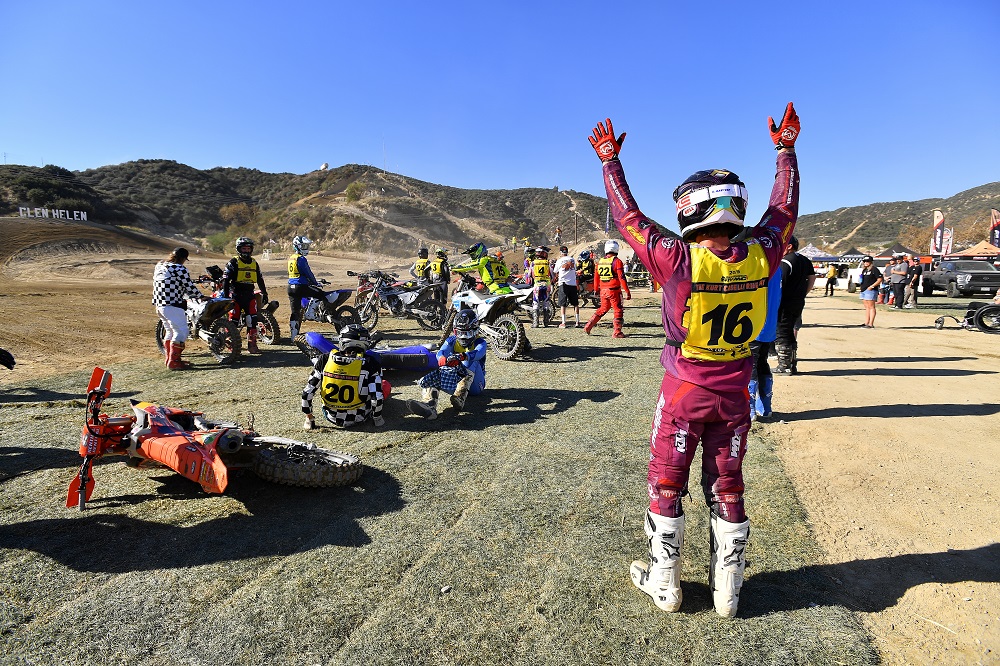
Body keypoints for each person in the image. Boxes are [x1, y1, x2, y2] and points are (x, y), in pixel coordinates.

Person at [588, 101, 800, 617]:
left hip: (685, 388)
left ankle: (666, 586)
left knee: (666, 481)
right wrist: (786, 153)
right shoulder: (764, 252)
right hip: (736, 391)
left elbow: (628, 218)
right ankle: (729, 593)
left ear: (688, 208)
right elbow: (783, 212)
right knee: (727, 484)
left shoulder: (677, 258)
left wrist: (610, 163)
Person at [406, 309, 488, 420]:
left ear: (476, 330)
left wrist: (461, 357)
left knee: (468, 361)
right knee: (436, 375)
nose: (463, 337)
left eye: (467, 333)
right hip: (457, 380)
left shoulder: (481, 342)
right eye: (460, 333)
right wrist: (442, 359)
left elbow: (478, 353)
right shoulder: (451, 340)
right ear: (455, 331)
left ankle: (460, 396)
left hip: (476, 385)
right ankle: (429, 405)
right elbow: (441, 352)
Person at [301, 324, 386, 429]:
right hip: (360, 417)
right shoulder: (370, 363)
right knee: (385, 386)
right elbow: (377, 399)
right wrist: (377, 418)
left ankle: (309, 420)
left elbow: (306, 393)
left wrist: (309, 417)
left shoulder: (325, 359)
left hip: (331, 417)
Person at [152, 247, 207, 370]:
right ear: (182, 259)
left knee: (170, 331)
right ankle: (174, 361)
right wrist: (200, 296)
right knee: (181, 332)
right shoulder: (179, 268)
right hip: (172, 304)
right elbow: (188, 285)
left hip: (160, 305)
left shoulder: (160, 266)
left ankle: (169, 359)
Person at [774, 236, 815, 375]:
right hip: (798, 301)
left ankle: (784, 365)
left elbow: (780, 284)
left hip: (785, 302)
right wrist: (803, 293)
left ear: (789, 246)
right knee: (790, 332)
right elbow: (812, 278)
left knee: (782, 332)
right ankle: (791, 363)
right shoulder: (804, 259)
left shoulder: (785, 261)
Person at [221, 237, 269, 354]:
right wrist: (227, 297)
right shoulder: (233, 263)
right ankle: (231, 344)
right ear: (239, 249)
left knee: (252, 320)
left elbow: (260, 279)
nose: (246, 251)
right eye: (244, 248)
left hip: (249, 296)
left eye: (248, 249)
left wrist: (264, 292)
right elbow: (226, 281)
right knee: (234, 321)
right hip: (236, 296)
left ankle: (252, 345)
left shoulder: (254, 263)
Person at [750, 270, 782, 420]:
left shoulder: (755, 264)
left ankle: (749, 408)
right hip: (768, 325)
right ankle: (765, 407)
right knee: (761, 362)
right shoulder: (776, 265)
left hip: (752, 325)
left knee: (750, 364)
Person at [583, 240, 631, 338]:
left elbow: (596, 278)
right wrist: (627, 291)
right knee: (618, 310)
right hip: (614, 290)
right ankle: (617, 332)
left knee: (603, 309)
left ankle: (588, 325)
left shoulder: (600, 262)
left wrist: (596, 289)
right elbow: (622, 277)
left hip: (603, 290)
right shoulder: (617, 261)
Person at [287, 235, 324, 340]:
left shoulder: (291, 258)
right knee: (319, 294)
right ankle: (310, 314)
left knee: (295, 312)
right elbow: (308, 273)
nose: (305, 248)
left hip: (290, 287)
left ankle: (293, 336)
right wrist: (315, 283)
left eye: (306, 246)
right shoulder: (301, 259)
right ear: (297, 246)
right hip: (301, 287)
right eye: (303, 246)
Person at [525, 245, 553, 328]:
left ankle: (536, 323)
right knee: (546, 303)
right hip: (547, 285)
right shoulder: (548, 263)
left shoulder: (533, 263)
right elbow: (552, 275)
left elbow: (529, 274)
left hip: (537, 285)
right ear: (543, 254)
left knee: (536, 303)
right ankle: (546, 322)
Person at [553, 245, 581, 328]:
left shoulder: (559, 260)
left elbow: (555, 271)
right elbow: (574, 269)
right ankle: (577, 322)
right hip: (572, 283)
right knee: (575, 304)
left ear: (561, 252)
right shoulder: (572, 259)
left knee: (563, 304)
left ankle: (563, 322)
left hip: (563, 283)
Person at [858, 256, 882, 327]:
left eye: (867, 261)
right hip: (863, 289)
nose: (865, 263)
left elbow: (880, 279)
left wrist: (872, 286)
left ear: (871, 262)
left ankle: (871, 323)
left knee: (871, 307)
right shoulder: (864, 270)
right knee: (867, 307)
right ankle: (866, 322)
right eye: (864, 261)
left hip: (871, 290)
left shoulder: (874, 269)